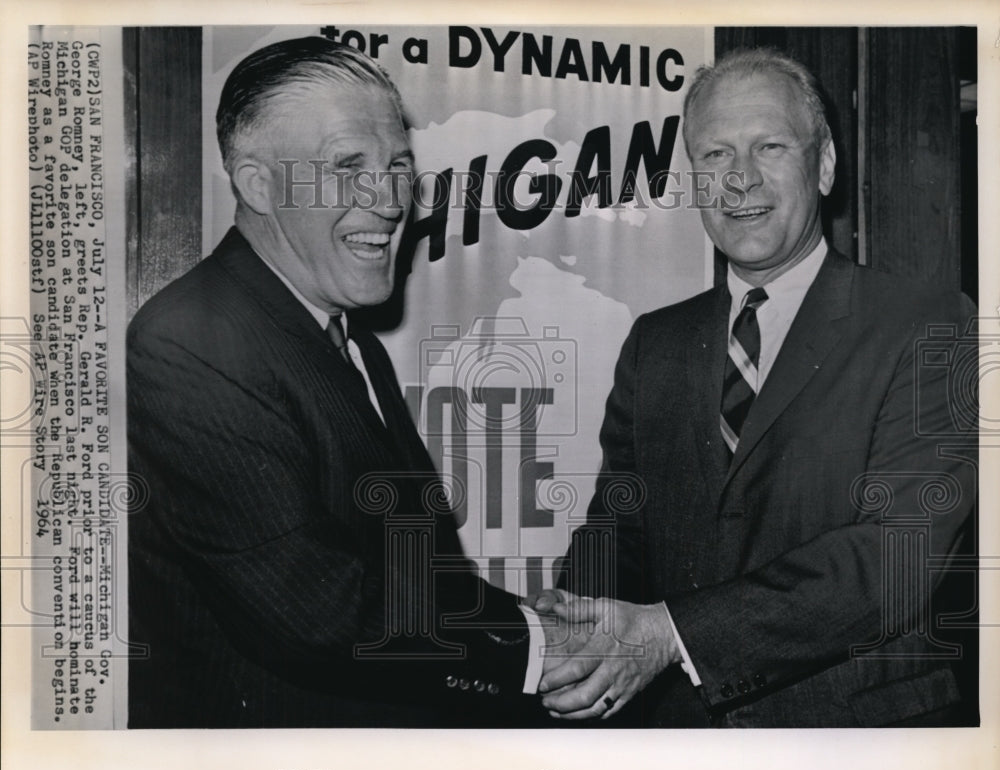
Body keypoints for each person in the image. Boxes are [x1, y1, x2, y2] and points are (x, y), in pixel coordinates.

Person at [126, 37, 578, 728]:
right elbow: (317, 607)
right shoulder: (189, 339)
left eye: (399, 166)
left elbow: (416, 571)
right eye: (348, 166)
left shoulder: (346, 335)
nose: (392, 200)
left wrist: (528, 623)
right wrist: (544, 648)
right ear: (257, 183)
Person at [537, 47, 978, 727]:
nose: (739, 179)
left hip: (859, 749)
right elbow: (617, 530)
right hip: (676, 749)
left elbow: (893, 557)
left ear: (824, 164)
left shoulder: (929, 322)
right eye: (714, 155)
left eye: (769, 146)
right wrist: (571, 632)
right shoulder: (657, 343)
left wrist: (667, 635)